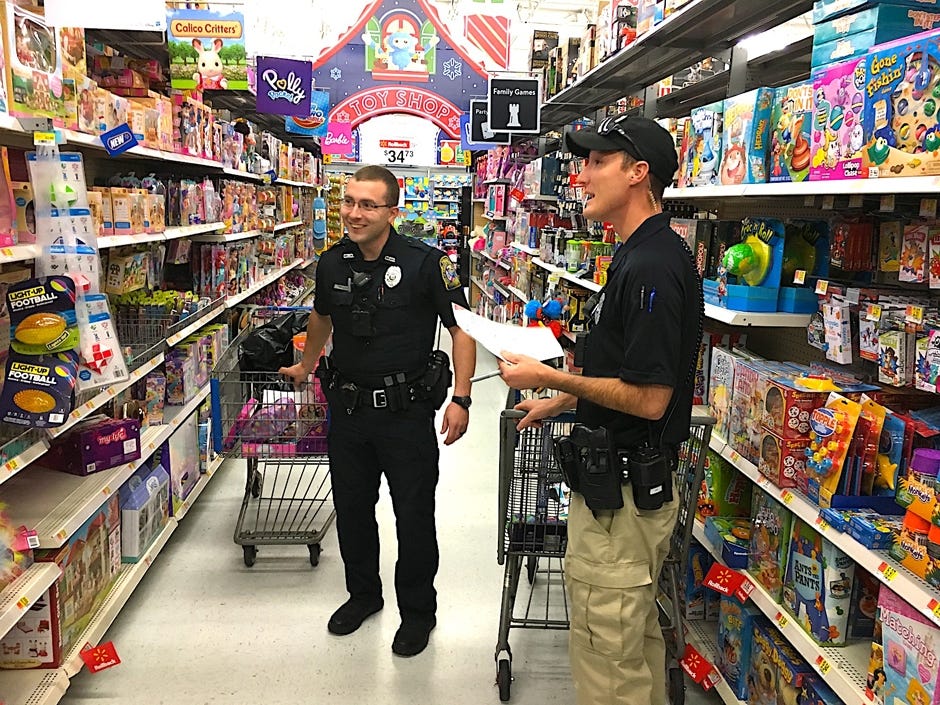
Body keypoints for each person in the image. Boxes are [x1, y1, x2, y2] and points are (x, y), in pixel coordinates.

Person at [498, 116, 703, 705]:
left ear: (638, 174)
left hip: (625, 503)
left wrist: (549, 373)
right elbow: (628, 371)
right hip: (622, 490)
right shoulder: (642, 254)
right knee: (630, 646)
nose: (579, 173)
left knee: (608, 659)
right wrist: (562, 396)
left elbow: (649, 398)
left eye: (596, 162)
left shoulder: (651, 266)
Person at [280, 165, 476, 657]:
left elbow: (461, 330)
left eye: (367, 205)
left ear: (392, 211)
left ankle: (418, 611)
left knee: (413, 515)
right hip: (347, 411)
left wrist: (463, 397)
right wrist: (306, 364)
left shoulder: (427, 263)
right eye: (349, 201)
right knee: (351, 510)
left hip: (406, 414)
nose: (354, 213)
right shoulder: (332, 263)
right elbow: (322, 316)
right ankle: (363, 595)